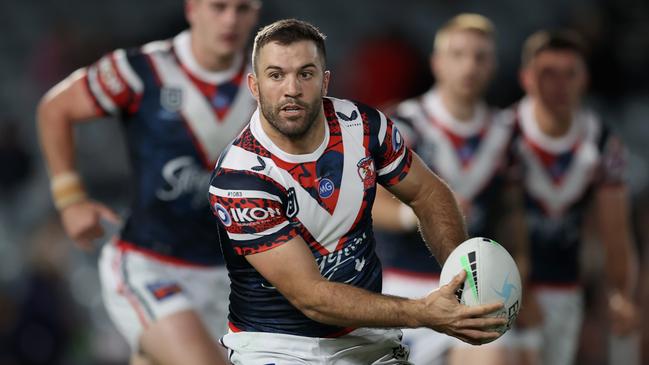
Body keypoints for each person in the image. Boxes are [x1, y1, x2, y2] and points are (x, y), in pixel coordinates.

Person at [208, 18, 507, 365]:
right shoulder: (240, 178)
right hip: (278, 345)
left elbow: (429, 193)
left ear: (325, 81)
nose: (291, 88)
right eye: (276, 75)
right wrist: (423, 312)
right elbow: (312, 297)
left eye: (306, 73)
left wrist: (462, 279)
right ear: (254, 85)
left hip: (367, 340)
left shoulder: (365, 127)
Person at [36, 1, 260, 364]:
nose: (231, 19)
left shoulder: (271, 82)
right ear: (192, 8)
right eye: (219, 6)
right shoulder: (139, 69)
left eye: (243, 8)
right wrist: (70, 198)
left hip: (232, 276)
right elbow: (55, 108)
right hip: (149, 263)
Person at [371, 14, 533, 365]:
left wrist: (521, 276)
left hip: (476, 290)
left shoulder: (506, 134)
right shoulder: (401, 123)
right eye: (458, 54)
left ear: (493, 65)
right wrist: (417, 213)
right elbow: (367, 201)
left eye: (480, 56)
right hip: (403, 285)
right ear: (437, 62)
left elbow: (512, 214)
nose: (469, 66)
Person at [509, 29, 638, 365]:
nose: (559, 84)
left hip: (563, 287)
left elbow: (616, 232)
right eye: (548, 74)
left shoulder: (602, 144)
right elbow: (491, 219)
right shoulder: (504, 136)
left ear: (585, 79)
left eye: (570, 73)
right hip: (503, 284)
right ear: (526, 79)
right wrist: (516, 289)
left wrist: (621, 293)